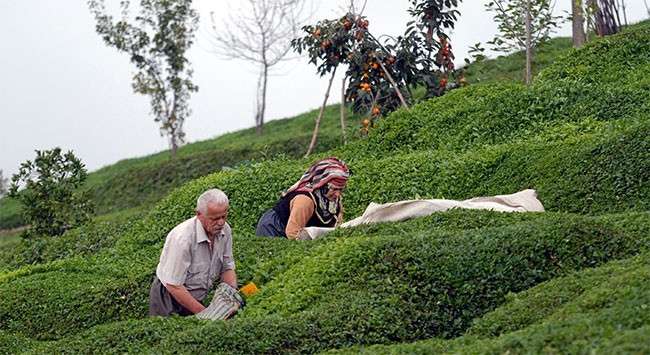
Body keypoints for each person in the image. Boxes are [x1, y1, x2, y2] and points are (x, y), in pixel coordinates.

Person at [149, 189, 238, 317]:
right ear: (199, 214)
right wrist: (206, 314)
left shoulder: (225, 230)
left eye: (224, 216)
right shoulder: (183, 238)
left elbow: (227, 267)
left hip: (196, 296)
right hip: (169, 298)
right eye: (215, 218)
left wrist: (231, 297)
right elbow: (174, 285)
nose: (221, 222)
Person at [256, 157, 350, 239]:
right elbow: (293, 234)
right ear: (322, 185)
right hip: (273, 229)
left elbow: (336, 227)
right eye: (334, 189)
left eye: (341, 189)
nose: (338, 194)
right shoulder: (305, 201)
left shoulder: (332, 199)